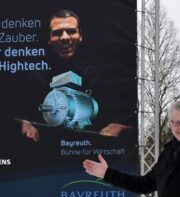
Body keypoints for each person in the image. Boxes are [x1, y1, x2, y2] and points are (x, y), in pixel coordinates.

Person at [19, 9, 132, 142]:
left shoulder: (102, 75)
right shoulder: (33, 76)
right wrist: (23, 122)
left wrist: (121, 127)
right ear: (49, 39)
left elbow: (131, 120)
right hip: (45, 152)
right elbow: (12, 114)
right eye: (57, 33)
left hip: (92, 151)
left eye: (71, 31)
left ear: (80, 36)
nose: (65, 37)